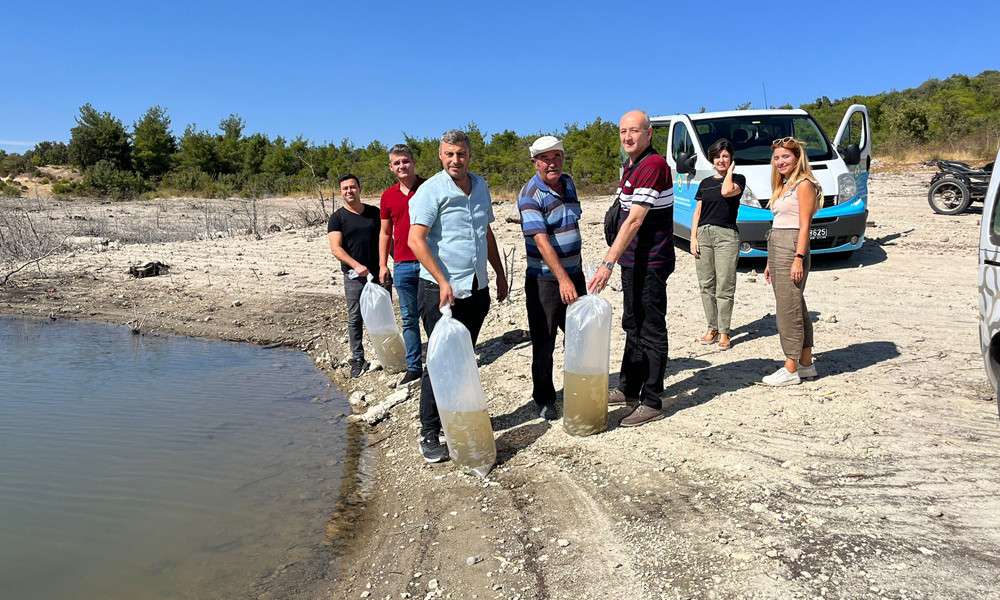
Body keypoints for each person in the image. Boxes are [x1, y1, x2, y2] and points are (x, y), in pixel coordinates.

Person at [408, 129, 509, 462]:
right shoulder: (430, 191)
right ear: (440, 155)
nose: (456, 160)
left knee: (464, 361)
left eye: (461, 154)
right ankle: (429, 431)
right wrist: (442, 279)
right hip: (439, 294)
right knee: (440, 363)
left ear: (469, 155)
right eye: (449, 154)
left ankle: (460, 421)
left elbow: (485, 232)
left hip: (476, 290)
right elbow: (416, 240)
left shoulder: (480, 186)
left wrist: (498, 272)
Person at [587, 110, 675, 428]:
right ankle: (628, 389)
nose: (628, 137)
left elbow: (635, 219)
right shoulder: (631, 166)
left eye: (634, 131)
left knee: (650, 329)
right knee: (632, 324)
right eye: (623, 131)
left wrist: (607, 263)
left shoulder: (653, 166)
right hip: (632, 260)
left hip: (651, 262)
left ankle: (652, 400)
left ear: (649, 133)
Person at [517, 135, 585, 421]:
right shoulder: (530, 194)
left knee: (580, 336)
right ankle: (544, 397)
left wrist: (576, 274)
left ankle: (578, 387)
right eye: (545, 159)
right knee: (544, 341)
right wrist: (563, 279)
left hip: (575, 273)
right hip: (545, 280)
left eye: (556, 156)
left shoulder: (568, 183)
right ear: (535, 163)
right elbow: (542, 241)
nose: (552, 163)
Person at [762, 137, 821, 386]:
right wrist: (769, 261)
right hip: (778, 244)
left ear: (797, 157)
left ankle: (790, 366)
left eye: (785, 156)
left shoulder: (804, 184)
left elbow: (805, 224)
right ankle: (806, 363)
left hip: (792, 246)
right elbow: (778, 223)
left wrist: (798, 258)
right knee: (797, 304)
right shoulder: (784, 184)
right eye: (776, 158)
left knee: (788, 309)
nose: (780, 162)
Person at [690, 138, 745, 351]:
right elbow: (698, 212)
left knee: (725, 285)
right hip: (704, 234)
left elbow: (726, 191)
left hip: (726, 236)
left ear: (731, 159)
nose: (721, 160)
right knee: (706, 285)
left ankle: (724, 332)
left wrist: (730, 171)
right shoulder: (704, 184)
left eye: (725, 156)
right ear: (712, 159)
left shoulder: (738, 179)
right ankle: (711, 327)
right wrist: (693, 238)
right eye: (717, 156)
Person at [327, 174, 383, 378]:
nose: (349, 191)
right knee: (355, 318)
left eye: (352, 187)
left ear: (359, 188)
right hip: (353, 276)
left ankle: (385, 353)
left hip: (378, 272)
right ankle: (357, 358)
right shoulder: (337, 218)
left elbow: (386, 240)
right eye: (345, 189)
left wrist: (392, 262)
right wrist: (356, 265)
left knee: (381, 315)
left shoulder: (374, 213)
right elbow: (336, 248)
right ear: (341, 192)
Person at [378, 144, 425, 385]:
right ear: (391, 167)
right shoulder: (388, 196)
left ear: (413, 162)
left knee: (433, 315)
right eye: (396, 163)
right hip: (403, 264)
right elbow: (385, 233)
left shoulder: (428, 188)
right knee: (408, 318)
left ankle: (439, 363)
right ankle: (414, 366)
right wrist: (382, 264)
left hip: (428, 262)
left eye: (405, 161)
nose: (401, 166)